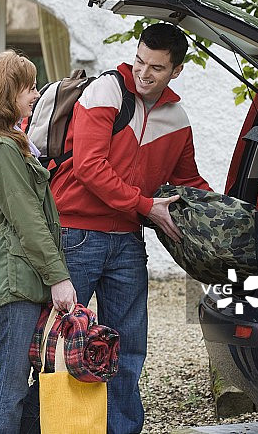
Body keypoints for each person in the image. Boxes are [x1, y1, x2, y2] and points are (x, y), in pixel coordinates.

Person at [49, 23, 212, 433]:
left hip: (127, 241)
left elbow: (188, 181)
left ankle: (121, 429)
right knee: (62, 344)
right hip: (76, 234)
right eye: (140, 61)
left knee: (128, 347)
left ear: (176, 70)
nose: (143, 72)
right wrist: (146, 206)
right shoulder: (105, 92)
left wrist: (227, 212)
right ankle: (61, 426)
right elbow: (89, 167)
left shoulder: (177, 117)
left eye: (156, 67)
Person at [0, 50, 77, 434]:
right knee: (11, 385)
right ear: (5, 93)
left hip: (21, 277)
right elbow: (28, 221)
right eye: (27, 87)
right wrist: (59, 278)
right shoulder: (0, 149)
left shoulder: (7, 141)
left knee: (32, 381)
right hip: (15, 281)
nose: (34, 94)